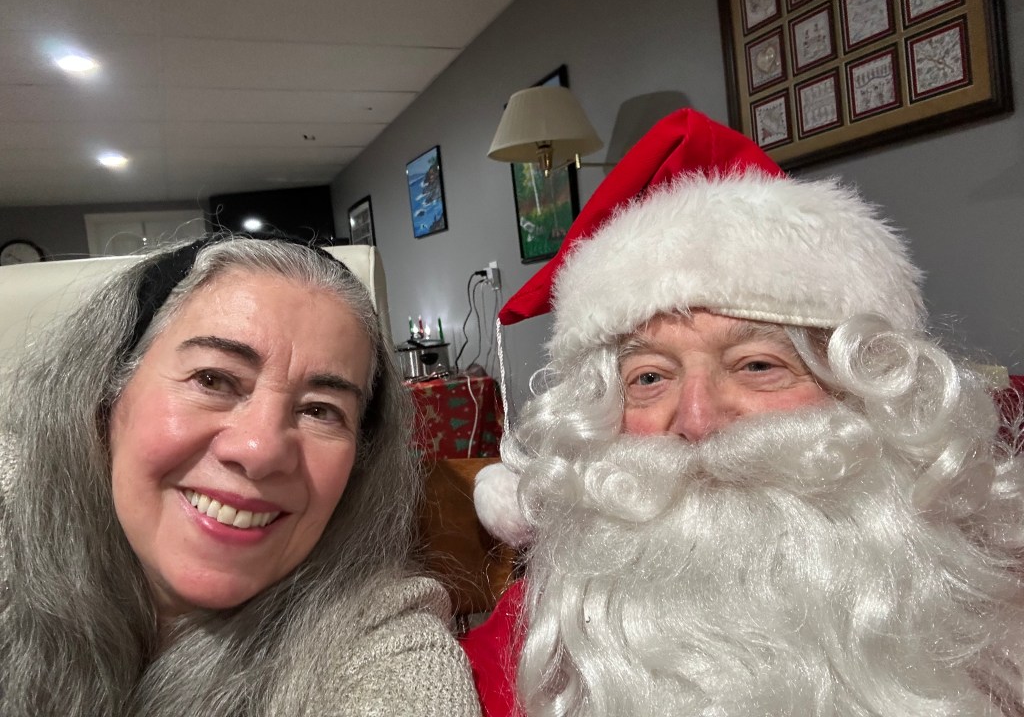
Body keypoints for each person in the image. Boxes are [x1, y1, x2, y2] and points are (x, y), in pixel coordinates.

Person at [465, 109, 1024, 716]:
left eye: (757, 365)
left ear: (863, 394)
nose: (697, 420)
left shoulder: (992, 617)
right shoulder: (526, 651)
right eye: (649, 378)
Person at [0, 235, 481, 716]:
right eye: (213, 380)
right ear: (104, 396)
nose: (260, 451)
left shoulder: (384, 641)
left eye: (320, 410)